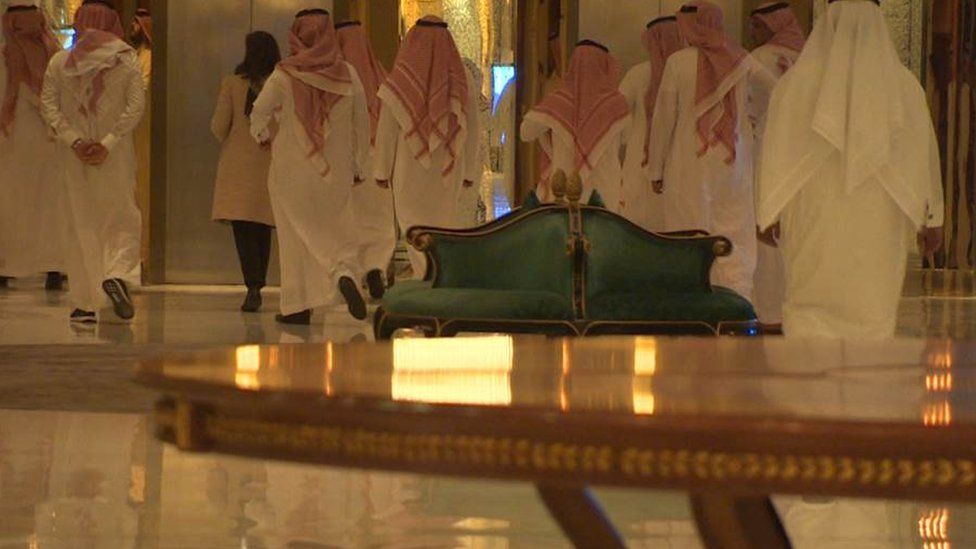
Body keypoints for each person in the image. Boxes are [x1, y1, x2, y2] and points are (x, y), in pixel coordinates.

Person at [756, 0, 944, 339]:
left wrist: (767, 210)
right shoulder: (904, 87)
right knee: (871, 312)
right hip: (878, 216)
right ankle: (868, 386)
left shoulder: (794, 85)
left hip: (813, 212)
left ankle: (811, 385)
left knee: (810, 310)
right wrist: (933, 217)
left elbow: (774, 150)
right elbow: (923, 154)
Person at [647, 1, 776, 300]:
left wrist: (656, 168)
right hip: (733, 158)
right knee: (734, 226)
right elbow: (774, 88)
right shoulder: (742, 60)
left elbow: (664, 118)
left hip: (688, 160)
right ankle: (735, 300)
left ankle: (692, 301)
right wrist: (749, 117)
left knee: (689, 227)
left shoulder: (678, 62)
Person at [250, 9, 369, 325]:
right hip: (337, 171)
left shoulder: (283, 75)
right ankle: (343, 271)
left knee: (294, 235)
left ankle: (298, 306)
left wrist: (261, 135)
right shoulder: (348, 74)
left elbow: (259, 112)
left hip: (291, 170)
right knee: (337, 227)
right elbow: (362, 123)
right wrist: (359, 165)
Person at [41, 0, 145, 323]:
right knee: (121, 217)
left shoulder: (59, 63)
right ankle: (116, 274)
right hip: (113, 157)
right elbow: (135, 107)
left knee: (80, 222)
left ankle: (86, 303)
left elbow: (49, 106)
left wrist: (74, 140)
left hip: (73, 158)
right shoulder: (127, 60)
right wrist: (108, 143)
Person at [373, 16, 480, 278]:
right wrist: (469, 172)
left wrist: (381, 170)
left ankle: (426, 282)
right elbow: (473, 129)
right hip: (448, 170)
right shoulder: (461, 76)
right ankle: (435, 281)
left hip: (409, 173)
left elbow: (387, 129)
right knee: (441, 231)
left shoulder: (400, 78)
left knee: (414, 231)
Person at [211, 31, 280, 313]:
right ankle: (258, 283)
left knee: (243, 229)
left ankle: (252, 287)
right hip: (271, 163)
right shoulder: (282, 82)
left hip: (237, 167)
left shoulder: (231, 83)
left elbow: (218, 127)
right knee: (263, 227)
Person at [748, 1, 806, 333]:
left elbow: (749, 111)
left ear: (769, 25)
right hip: (803, 158)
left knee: (765, 228)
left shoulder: (758, 60)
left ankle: (768, 313)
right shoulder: (812, 58)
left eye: (756, 27)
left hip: (767, 152)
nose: (753, 33)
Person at [0, 0, 65, 291]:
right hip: (48, 142)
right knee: (49, 204)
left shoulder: (7, 57)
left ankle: (8, 266)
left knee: (14, 203)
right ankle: (53, 266)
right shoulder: (56, 58)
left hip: (15, 144)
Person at [521, 40, 630, 210]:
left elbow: (525, 132)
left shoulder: (557, 103)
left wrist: (551, 117)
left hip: (563, 192)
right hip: (606, 193)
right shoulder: (616, 106)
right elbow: (626, 139)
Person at [335, 20, 394, 300]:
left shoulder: (336, 76)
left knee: (349, 220)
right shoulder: (381, 75)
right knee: (378, 219)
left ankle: (355, 274)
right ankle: (376, 268)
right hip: (377, 157)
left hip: (345, 159)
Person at [619, 16, 684, 231]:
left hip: (641, 159)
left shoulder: (637, 74)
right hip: (678, 157)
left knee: (639, 227)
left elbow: (618, 113)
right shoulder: (689, 71)